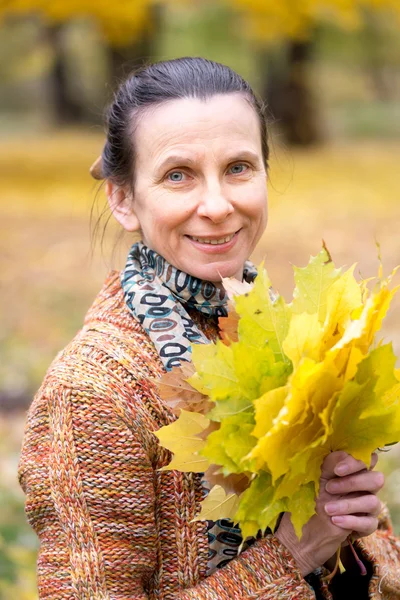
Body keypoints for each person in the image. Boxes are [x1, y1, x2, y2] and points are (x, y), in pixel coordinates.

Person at [18, 57, 400, 600]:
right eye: (179, 175)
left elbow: (371, 551)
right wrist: (294, 554)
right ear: (123, 199)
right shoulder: (95, 391)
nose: (218, 205)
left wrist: (353, 538)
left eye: (239, 167)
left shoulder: (293, 341)